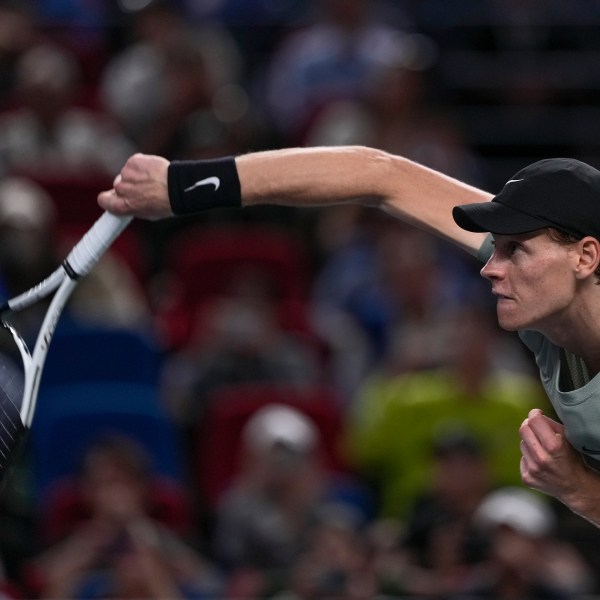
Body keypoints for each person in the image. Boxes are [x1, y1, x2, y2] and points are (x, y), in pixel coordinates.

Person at [98, 147, 600, 528]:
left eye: (515, 251)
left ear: (585, 257)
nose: (490, 267)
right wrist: (183, 186)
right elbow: (379, 175)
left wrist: (579, 489)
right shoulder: (552, 298)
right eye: (497, 246)